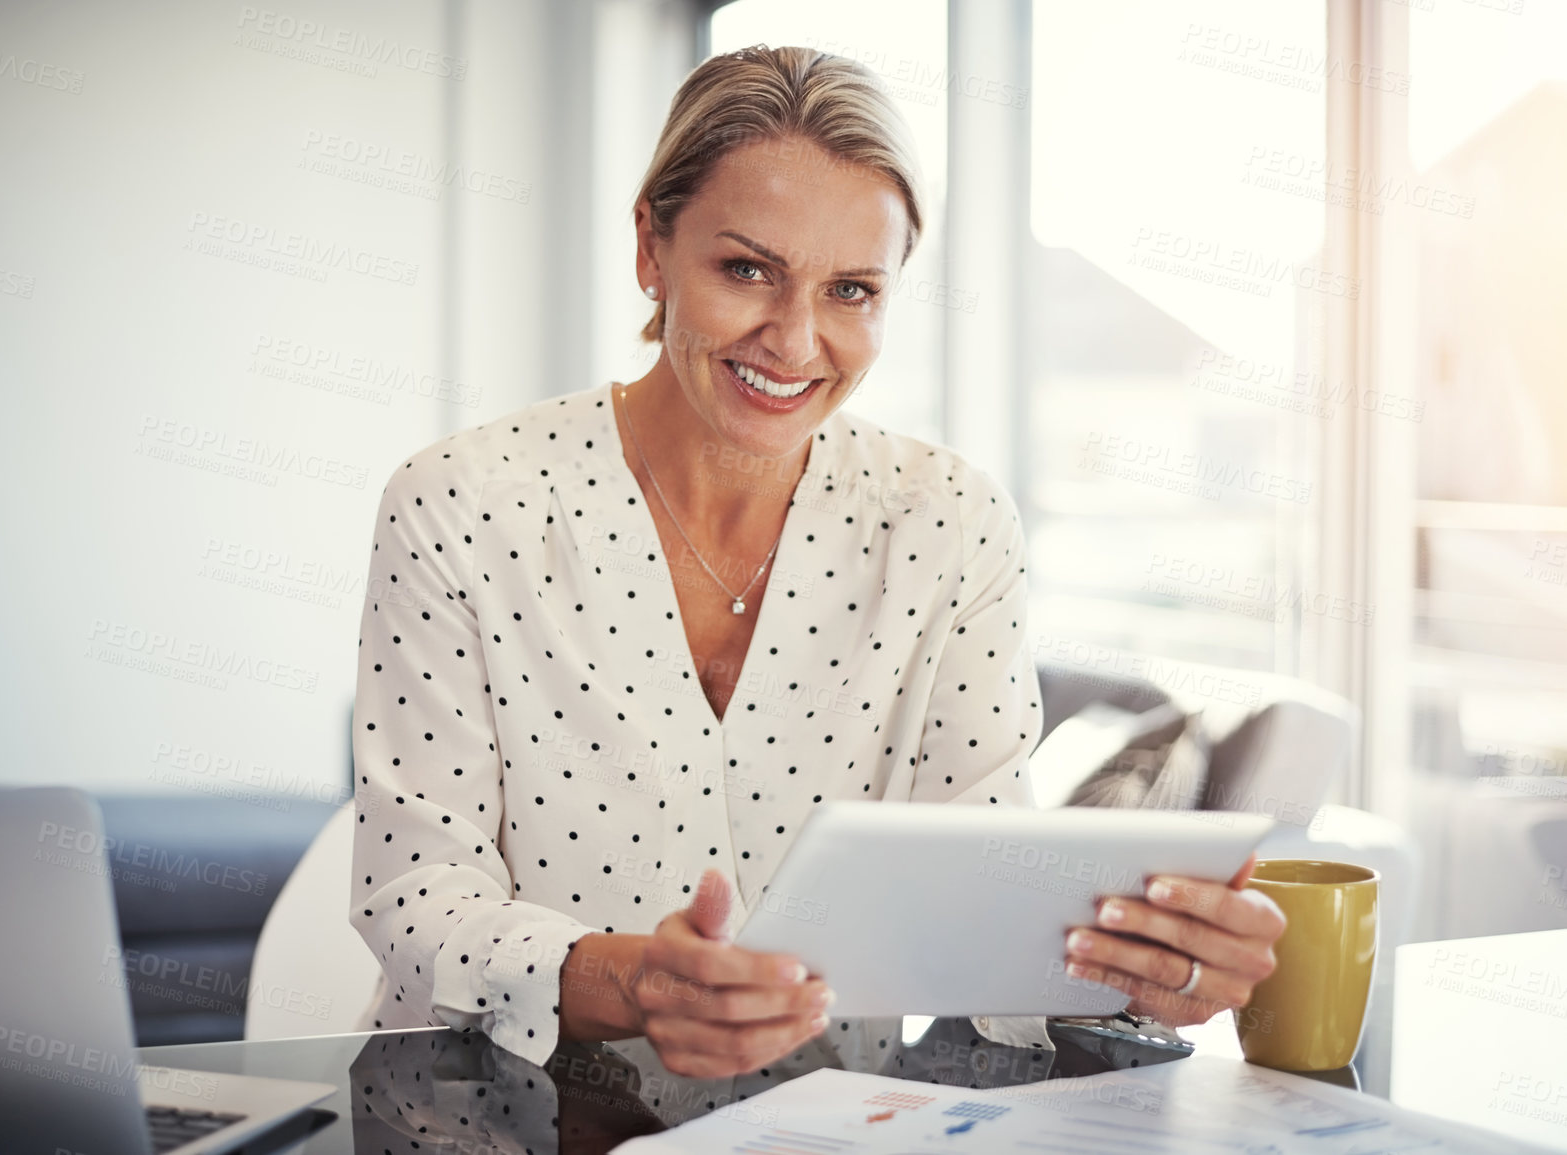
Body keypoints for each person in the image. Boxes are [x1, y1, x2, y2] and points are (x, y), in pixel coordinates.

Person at [347, 43, 1283, 1080]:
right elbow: (416, 894)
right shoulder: (462, 505)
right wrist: (634, 985)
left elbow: (977, 900)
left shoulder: (949, 524)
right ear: (652, 251)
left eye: (850, 290)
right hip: (476, 1110)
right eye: (746, 270)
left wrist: (1138, 969)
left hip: (822, 1123)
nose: (794, 341)